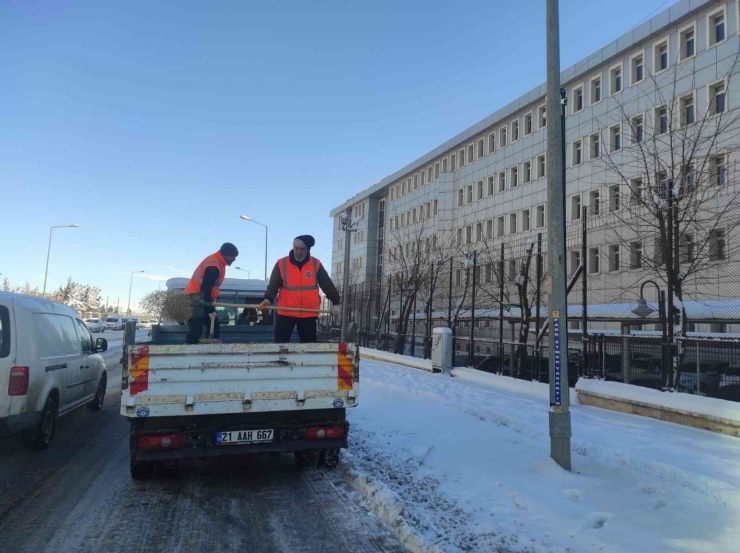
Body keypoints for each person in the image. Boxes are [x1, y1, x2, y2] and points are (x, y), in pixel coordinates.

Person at [259, 235, 341, 343]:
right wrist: (267, 299)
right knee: (280, 345)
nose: (298, 251)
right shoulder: (281, 263)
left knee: (309, 347)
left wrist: (336, 302)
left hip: (309, 312)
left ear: (307, 250)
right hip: (286, 312)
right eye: (296, 248)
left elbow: (327, 284)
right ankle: (279, 361)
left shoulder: (315, 264)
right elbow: (273, 286)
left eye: (302, 249)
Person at [183, 243, 238, 344]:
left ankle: (201, 347)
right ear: (225, 254)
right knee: (198, 325)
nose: (233, 260)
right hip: (197, 297)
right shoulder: (214, 265)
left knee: (207, 324)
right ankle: (193, 349)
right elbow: (206, 288)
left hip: (198, 296)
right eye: (232, 257)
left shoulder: (217, 261)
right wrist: (209, 308)